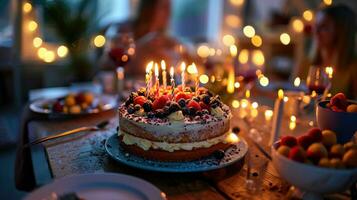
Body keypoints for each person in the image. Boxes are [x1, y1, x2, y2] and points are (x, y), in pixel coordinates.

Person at [294, 5, 357, 99]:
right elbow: (293, 92)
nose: (316, 31)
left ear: (341, 32)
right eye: (316, 25)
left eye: (324, 27)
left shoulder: (353, 67)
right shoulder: (307, 62)